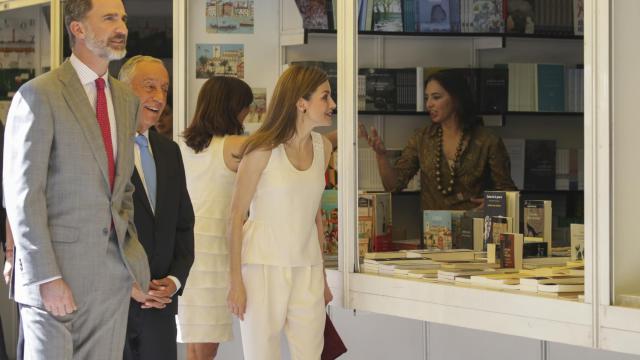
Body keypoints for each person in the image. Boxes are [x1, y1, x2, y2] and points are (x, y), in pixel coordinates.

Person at [2, 0, 150, 358]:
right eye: (109, 18)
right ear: (78, 28)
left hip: (112, 279)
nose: (122, 28)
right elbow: (23, 196)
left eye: (124, 19)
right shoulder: (39, 94)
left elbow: (123, 188)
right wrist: (45, 277)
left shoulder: (126, 100)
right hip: (54, 279)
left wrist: (129, 258)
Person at [227, 65, 335, 360]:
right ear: (302, 102)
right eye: (325, 97)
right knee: (262, 355)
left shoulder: (323, 147)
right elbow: (236, 215)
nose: (332, 105)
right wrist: (235, 281)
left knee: (311, 354)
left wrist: (322, 276)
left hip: (308, 267)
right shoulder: (262, 149)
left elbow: (315, 215)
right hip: (262, 266)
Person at [118, 55, 195, 360]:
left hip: (161, 308)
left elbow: (183, 224)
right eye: (149, 86)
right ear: (122, 91)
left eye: (164, 89)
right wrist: (128, 285)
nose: (159, 97)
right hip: (114, 305)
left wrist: (175, 281)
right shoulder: (101, 148)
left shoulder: (170, 151)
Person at [359, 69, 517, 210]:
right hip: (433, 234)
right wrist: (381, 156)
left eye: (436, 97)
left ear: (456, 98)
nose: (429, 104)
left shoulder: (487, 140)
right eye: (427, 98)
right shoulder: (422, 138)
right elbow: (393, 186)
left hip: (475, 232)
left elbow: (508, 191)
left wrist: (492, 204)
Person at [176, 76, 253, 360]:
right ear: (233, 108)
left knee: (195, 347)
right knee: (204, 348)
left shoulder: (182, 144)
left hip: (185, 248)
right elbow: (277, 146)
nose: (248, 113)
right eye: (246, 106)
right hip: (214, 251)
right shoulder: (234, 144)